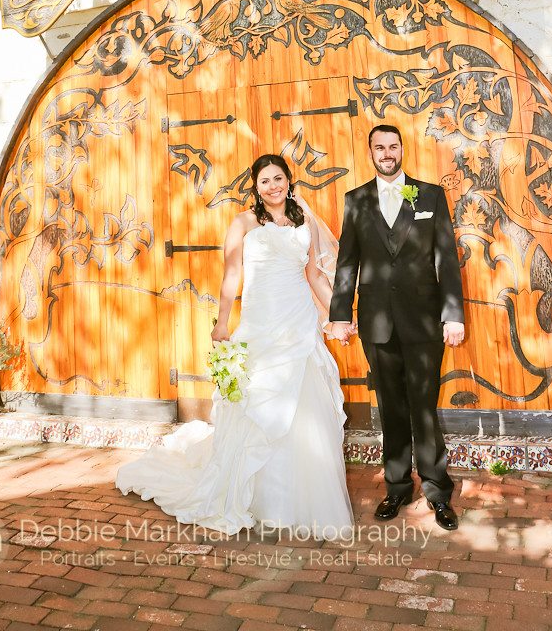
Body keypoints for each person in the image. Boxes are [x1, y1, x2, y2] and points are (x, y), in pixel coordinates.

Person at [116, 154, 354, 539]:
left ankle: (300, 498)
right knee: (258, 405)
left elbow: (313, 275)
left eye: (279, 178)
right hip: (260, 321)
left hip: (297, 321)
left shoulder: (303, 221)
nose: (273, 186)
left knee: (302, 402)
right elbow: (231, 275)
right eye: (265, 181)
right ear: (256, 188)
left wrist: (337, 315)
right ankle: (257, 497)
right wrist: (223, 322)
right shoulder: (243, 222)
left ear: (289, 182)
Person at [328, 124, 465, 529]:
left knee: (423, 407)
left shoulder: (429, 195)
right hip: (377, 322)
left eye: (392, 146)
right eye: (379, 147)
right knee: (390, 408)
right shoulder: (356, 200)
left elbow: (446, 257)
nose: (386, 153)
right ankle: (397, 488)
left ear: (402, 149)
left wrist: (453, 314)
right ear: (370, 152)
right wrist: (339, 314)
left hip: (424, 319)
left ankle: (438, 492)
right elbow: (346, 262)